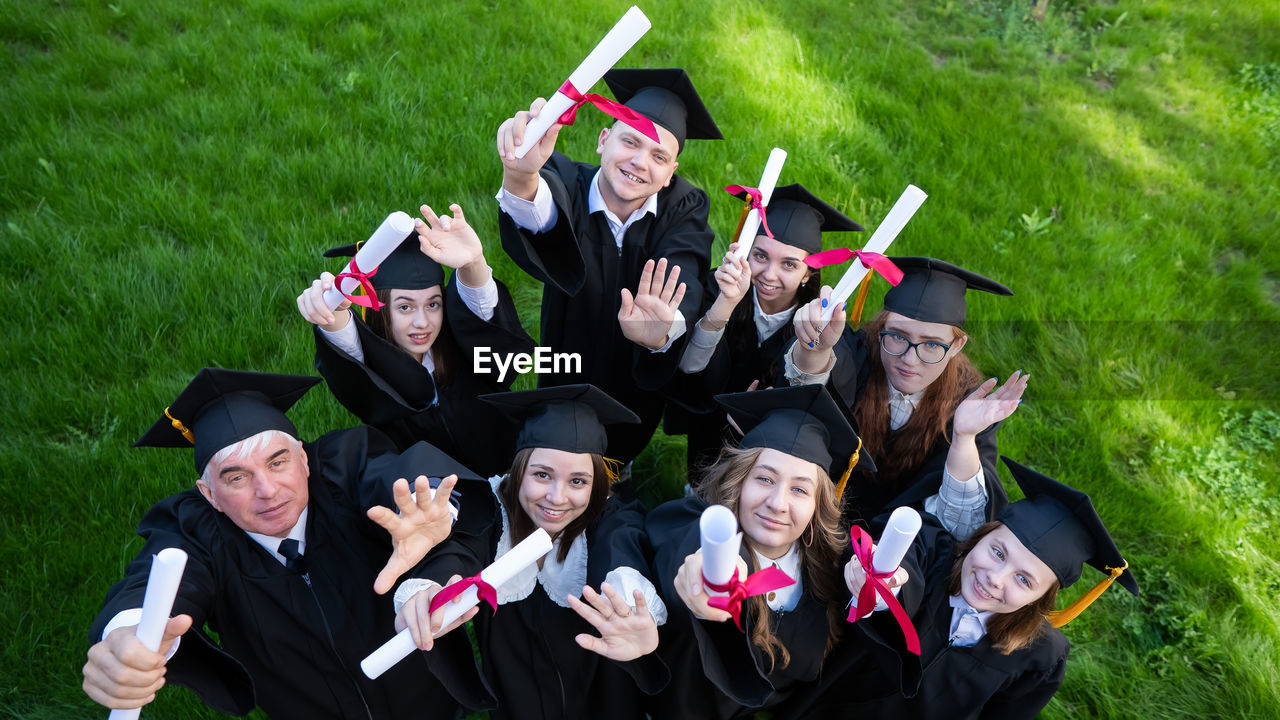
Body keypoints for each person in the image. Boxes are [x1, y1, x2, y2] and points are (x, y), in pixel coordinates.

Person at [82, 368, 497, 719]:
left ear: (303, 457)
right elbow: (148, 584)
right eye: (237, 477)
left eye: (277, 462)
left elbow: (400, 479)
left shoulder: (342, 465)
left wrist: (437, 512)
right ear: (209, 495)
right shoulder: (195, 528)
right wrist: (127, 634)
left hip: (425, 697)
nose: (267, 490)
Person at [780, 456, 1140, 720]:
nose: (995, 578)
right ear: (979, 537)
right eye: (997, 552)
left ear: (1041, 600)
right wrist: (888, 583)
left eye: (1024, 580)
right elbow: (908, 564)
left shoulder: (1041, 658)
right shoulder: (936, 553)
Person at [394, 384, 670, 720]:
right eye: (543, 475)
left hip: (604, 697)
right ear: (519, 470)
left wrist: (628, 603)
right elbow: (461, 549)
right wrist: (430, 588)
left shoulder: (608, 517)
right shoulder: (491, 513)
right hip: (517, 698)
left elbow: (621, 549)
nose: (557, 497)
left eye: (578, 481)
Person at [495, 68, 723, 463]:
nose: (639, 162)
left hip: (636, 371)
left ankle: (622, 469)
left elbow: (686, 265)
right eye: (629, 141)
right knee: (563, 434)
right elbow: (539, 209)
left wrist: (663, 329)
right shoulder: (566, 181)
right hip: (571, 348)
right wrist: (520, 174)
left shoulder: (684, 207)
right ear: (603, 140)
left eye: (659, 156)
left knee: (625, 442)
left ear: (671, 173)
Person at [644, 385, 879, 719]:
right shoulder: (699, 532)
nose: (777, 503)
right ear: (738, 481)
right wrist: (706, 580)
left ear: (817, 506)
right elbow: (684, 565)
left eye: (799, 489)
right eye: (765, 479)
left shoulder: (828, 568)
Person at [787, 256, 1029, 534]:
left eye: (931, 344)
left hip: (900, 544)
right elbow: (811, 382)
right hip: (816, 517)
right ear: (881, 330)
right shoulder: (859, 356)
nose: (910, 360)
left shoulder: (966, 406)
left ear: (956, 345)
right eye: (898, 336)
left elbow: (965, 528)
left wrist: (964, 438)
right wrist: (813, 350)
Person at [296, 202, 535, 476]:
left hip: (513, 469)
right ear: (379, 310)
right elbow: (348, 346)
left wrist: (474, 262)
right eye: (405, 307)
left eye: (433, 304)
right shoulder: (375, 368)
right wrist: (332, 308)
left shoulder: (463, 343)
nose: (423, 322)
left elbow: (481, 310)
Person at [668, 183, 864, 478]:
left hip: (773, 455)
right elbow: (688, 367)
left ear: (807, 273)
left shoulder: (820, 324)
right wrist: (725, 304)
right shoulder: (716, 289)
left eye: (788, 264)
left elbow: (823, 402)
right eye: (760, 256)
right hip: (706, 433)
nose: (769, 275)